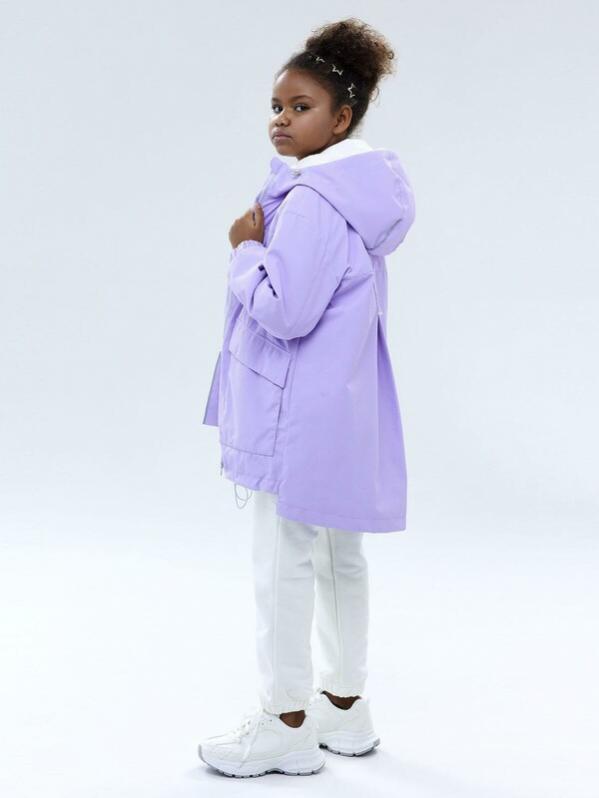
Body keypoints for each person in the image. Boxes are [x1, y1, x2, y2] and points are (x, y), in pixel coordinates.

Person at [198, 17, 415, 778]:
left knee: (281, 561)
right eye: (277, 106)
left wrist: (244, 251)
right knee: (334, 556)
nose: (281, 120)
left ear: (342, 118)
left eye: (301, 107)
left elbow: (286, 311)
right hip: (340, 407)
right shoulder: (355, 197)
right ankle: (344, 709)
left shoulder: (312, 200)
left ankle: (286, 722)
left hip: (294, 412)